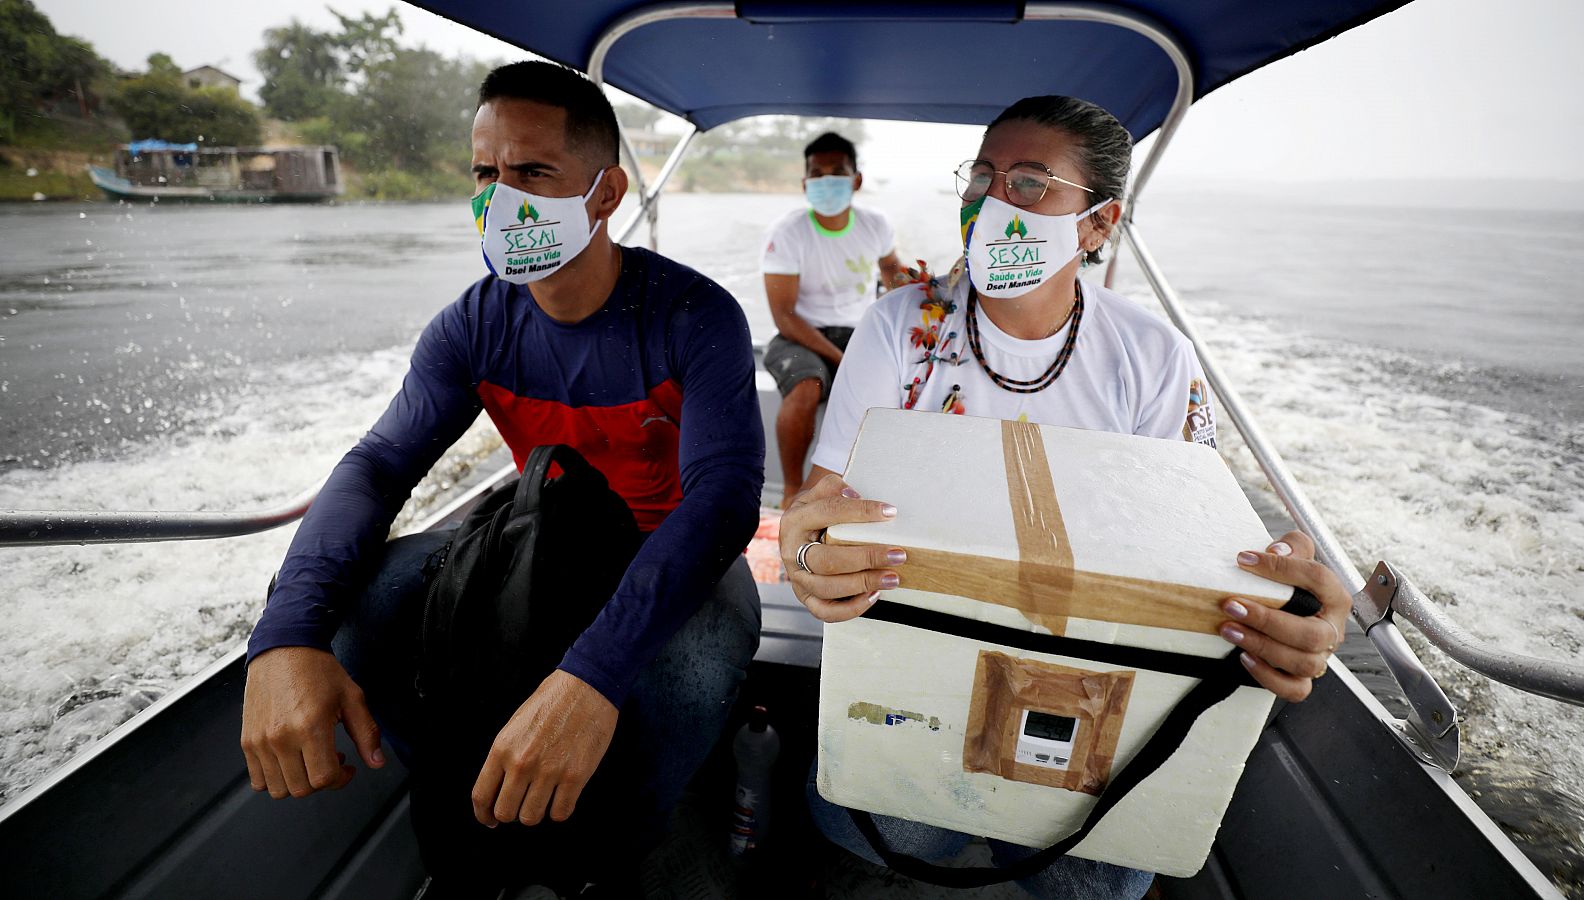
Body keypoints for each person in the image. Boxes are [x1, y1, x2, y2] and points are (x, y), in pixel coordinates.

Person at [778, 96, 1355, 899]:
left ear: (1095, 223)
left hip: (1083, 673)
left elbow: (1194, 539)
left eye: (1028, 183)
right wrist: (806, 552)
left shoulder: (1152, 356)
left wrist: (1280, 601)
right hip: (922, 643)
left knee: (1103, 879)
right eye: (981, 177)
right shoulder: (899, 327)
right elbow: (824, 495)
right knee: (877, 822)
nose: (989, 200)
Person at [239, 61, 764, 893]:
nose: (500, 197)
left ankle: (622, 843)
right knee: (360, 613)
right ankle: (474, 798)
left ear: (603, 194)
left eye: (531, 173)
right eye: (486, 172)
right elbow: (378, 465)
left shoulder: (694, 318)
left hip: (670, 546)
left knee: (694, 671)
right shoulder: (472, 326)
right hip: (536, 528)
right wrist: (283, 635)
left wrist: (592, 676)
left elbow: (724, 499)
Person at [760, 132, 903, 508]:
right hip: (799, 336)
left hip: (857, 333)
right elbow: (785, 316)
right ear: (805, 183)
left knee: (901, 391)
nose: (826, 180)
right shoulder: (788, 233)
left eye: (837, 171)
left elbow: (896, 278)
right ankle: (793, 490)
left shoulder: (875, 225)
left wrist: (932, 289)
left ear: (856, 179)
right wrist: (843, 360)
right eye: (817, 173)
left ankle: (874, 493)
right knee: (807, 385)